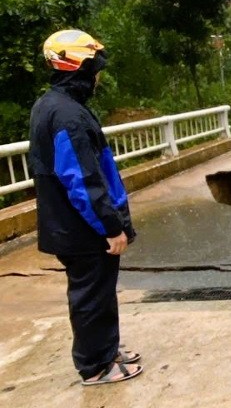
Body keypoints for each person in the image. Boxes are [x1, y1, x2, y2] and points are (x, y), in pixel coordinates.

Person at [28, 30, 142, 386]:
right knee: (91, 296)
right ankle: (96, 366)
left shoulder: (53, 105)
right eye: (94, 69)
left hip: (73, 225)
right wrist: (110, 226)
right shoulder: (68, 116)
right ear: (77, 68)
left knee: (99, 292)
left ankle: (105, 350)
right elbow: (81, 180)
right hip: (82, 228)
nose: (98, 76)